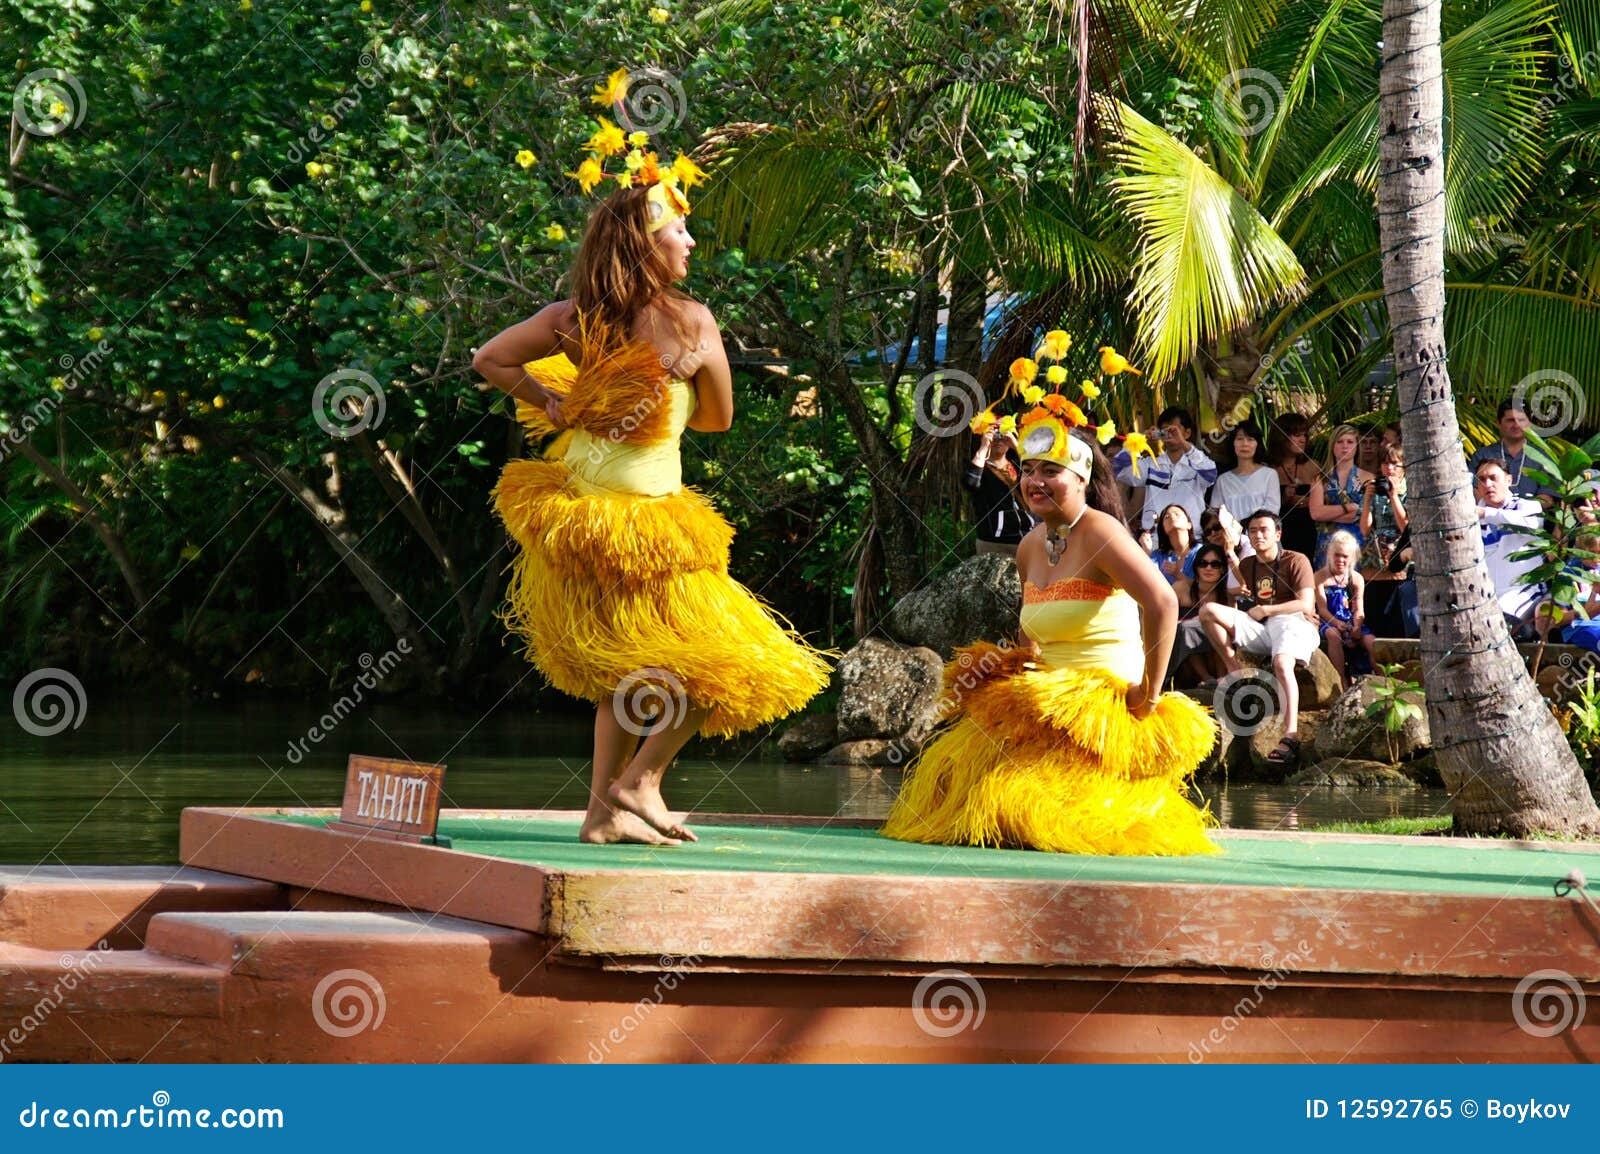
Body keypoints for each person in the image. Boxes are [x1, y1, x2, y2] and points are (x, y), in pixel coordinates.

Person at [476, 156, 831, 846]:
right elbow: (718, 420)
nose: (691, 243)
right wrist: (686, 386)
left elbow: (488, 359)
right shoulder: (692, 321)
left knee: (624, 669)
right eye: (680, 231)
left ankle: (601, 817)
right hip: (649, 526)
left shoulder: (570, 319)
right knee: (728, 661)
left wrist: (549, 400)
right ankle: (640, 780)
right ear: (645, 243)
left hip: (579, 513)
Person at [881, 416, 1218, 856]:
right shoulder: (1029, 545)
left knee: (1016, 804)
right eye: (1028, 470)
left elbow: (1163, 603)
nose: (1034, 481)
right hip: (1048, 712)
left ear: (1082, 479)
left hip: (1102, 716)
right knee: (951, 782)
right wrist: (1020, 681)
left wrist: (1149, 695)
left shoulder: (1101, 532)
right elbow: (1030, 632)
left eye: (1050, 471)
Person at [1198, 510, 1320, 767]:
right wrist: (1229, 552)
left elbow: (1306, 604)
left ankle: (1290, 735)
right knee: (1208, 611)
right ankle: (1236, 672)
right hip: (1263, 627)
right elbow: (1240, 582)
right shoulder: (1249, 564)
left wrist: (1266, 610)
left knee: (1281, 664)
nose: (1258, 535)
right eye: (1253, 531)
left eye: (1264, 530)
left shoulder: (1296, 560)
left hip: (1294, 622)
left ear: (1278, 534)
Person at [1113, 405, 1217, 538]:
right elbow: (1119, 469)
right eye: (1165, 431)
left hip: (1192, 538)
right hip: (1156, 539)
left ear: (1187, 433)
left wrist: (1183, 443)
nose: (1171, 434)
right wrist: (1140, 441)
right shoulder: (1151, 464)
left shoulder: (1197, 462)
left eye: (1175, 430)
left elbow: (1211, 475)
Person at [1475, 458, 1544, 639]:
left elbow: (1531, 523)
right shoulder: (1470, 516)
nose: (1487, 484)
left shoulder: (1527, 504)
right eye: (1482, 479)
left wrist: (1486, 513)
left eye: (1493, 478)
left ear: (1508, 480)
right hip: (1484, 593)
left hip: (1522, 590)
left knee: (1496, 623)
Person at [1360, 442, 1413, 637]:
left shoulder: (1411, 490)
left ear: (1404, 466)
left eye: (1394, 464)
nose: (1389, 468)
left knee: (1397, 618)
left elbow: (1405, 526)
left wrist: (1393, 495)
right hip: (1374, 560)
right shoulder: (1376, 489)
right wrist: (1367, 499)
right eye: (1385, 463)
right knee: (1374, 615)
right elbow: (1365, 529)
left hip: (1399, 557)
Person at [1467, 399, 1557, 507]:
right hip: (1488, 515)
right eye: (1510, 420)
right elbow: (1472, 490)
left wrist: (1515, 512)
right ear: (1499, 423)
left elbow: (1548, 497)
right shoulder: (1482, 455)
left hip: (1531, 516)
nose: (1516, 425)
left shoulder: (1542, 456)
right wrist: (1497, 512)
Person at [1315, 530, 1376, 687]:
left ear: (1352, 558)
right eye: (1337, 555)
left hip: (1350, 620)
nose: (1340, 560)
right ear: (1329, 554)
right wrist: (1336, 623)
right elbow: (1322, 609)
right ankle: (1341, 680)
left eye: (1345, 556)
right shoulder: (1320, 577)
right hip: (1328, 620)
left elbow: (1359, 609)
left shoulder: (1356, 579)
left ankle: (1381, 681)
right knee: (1333, 635)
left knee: (1371, 642)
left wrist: (1357, 626)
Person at [1209, 420, 1279, 556]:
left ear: (1258, 444)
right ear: (1233, 443)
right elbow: (1215, 512)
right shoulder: (1223, 480)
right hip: (1232, 544)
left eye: (1250, 439)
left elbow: (1272, 510)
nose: (1245, 444)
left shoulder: (1269, 475)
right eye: (1240, 439)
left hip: (1263, 541)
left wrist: (1248, 526)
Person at [1169, 542, 1233, 686]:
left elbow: (1233, 629)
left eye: (1215, 564)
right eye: (1203, 564)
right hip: (1186, 659)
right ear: (1196, 567)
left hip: (1215, 656)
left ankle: (1221, 677)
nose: (1208, 568)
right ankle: (1206, 679)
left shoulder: (1227, 595)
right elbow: (1165, 619)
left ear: (1222, 569)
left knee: (1218, 630)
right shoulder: (1181, 588)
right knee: (1186, 629)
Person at [1309, 423, 1372, 567]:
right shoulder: (1320, 479)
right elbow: (1316, 513)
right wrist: (1349, 507)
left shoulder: (1368, 478)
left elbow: (1364, 516)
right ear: (1332, 446)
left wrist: (1329, 514)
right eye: (1340, 442)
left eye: (1350, 442)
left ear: (1357, 446)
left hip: (1358, 543)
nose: (1345, 446)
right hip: (1328, 544)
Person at [966, 426, 1034, 555]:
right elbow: (971, 483)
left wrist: (1016, 445)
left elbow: (1038, 477)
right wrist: (984, 447)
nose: (998, 440)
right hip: (994, 541)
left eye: (1002, 436)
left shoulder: (1017, 463)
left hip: (1026, 538)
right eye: (994, 437)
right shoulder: (979, 466)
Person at [1272, 413, 1319, 559]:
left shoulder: (1313, 466)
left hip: (1309, 533)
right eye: (1297, 435)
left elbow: (1329, 498)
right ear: (1282, 436)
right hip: (1279, 534)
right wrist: (1284, 498)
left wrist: (1307, 502)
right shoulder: (1267, 469)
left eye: (1305, 435)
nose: (1302, 439)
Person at [1148, 503, 1199, 584]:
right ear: (1163, 528)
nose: (1172, 516)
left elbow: (1205, 587)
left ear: (1189, 524)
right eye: (1167, 517)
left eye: (1177, 514)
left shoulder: (1202, 551)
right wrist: (1146, 551)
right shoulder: (1157, 556)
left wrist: (1178, 574)